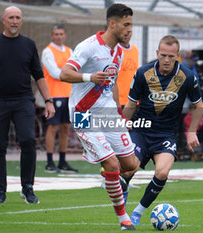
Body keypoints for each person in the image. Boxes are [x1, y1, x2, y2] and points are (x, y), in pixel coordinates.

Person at [60, 3, 139, 231]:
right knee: (113, 163)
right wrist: (89, 77)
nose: (129, 30)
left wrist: (119, 112)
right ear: (112, 24)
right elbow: (65, 73)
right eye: (126, 25)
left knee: (132, 164)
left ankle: (109, 176)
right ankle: (123, 219)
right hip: (84, 113)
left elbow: (111, 84)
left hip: (107, 113)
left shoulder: (119, 52)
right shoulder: (88, 46)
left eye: (131, 25)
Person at [0, 6, 55, 204]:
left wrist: (48, 101)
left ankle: (27, 188)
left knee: (28, 140)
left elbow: (39, 75)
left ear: (22, 21)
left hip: (23, 101)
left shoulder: (28, 44)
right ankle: (0, 193)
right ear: (3, 20)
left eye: (18, 17)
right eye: (11, 17)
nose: (14, 21)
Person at [122, 35, 203, 225]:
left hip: (166, 135)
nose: (166, 60)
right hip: (141, 131)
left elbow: (198, 105)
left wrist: (192, 131)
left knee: (162, 173)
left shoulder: (187, 77)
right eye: (163, 55)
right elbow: (132, 103)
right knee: (128, 168)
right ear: (157, 53)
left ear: (177, 56)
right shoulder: (143, 73)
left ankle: (137, 212)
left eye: (171, 56)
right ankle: (124, 188)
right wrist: (124, 121)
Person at [41, 24, 78, 173]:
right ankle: (50, 161)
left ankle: (62, 161)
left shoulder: (70, 51)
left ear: (65, 35)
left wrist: (70, 73)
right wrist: (69, 73)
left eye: (61, 34)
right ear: (52, 36)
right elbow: (55, 72)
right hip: (54, 94)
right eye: (56, 34)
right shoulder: (47, 51)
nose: (58, 36)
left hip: (69, 94)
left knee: (65, 128)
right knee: (52, 127)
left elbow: (76, 68)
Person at [116, 31, 139, 107]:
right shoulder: (114, 50)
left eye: (129, 31)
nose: (127, 33)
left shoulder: (135, 49)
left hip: (133, 101)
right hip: (118, 101)